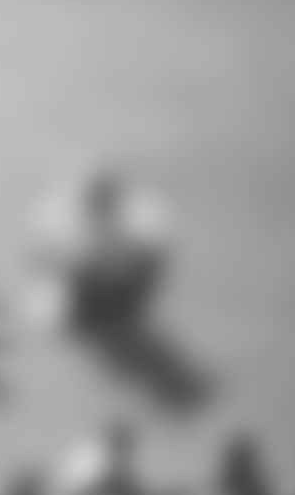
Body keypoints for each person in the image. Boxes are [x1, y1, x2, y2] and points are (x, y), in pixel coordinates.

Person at [24, 161, 210, 414]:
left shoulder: (141, 221)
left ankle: (112, 318)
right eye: (95, 200)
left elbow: (152, 259)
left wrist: (123, 273)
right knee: (79, 320)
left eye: (105, 200)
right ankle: (92, 322)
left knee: (114, 315)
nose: (100, 206)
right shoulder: (61, 220)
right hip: (82, 286)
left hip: (118, 285)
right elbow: (45, 258)